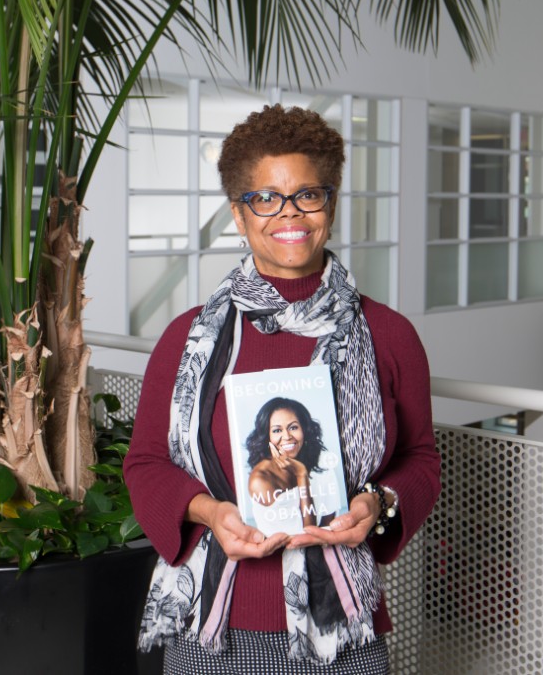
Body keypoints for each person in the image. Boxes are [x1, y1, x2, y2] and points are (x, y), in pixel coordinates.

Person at [124, 104, 441, 673]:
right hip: (213, 624)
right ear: (239, 214)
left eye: (307, 195)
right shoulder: (188, 338)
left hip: (341, 620)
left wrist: (379, 503)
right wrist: (208, 512)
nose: (288, 214)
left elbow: (419, 460)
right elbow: (146, 463)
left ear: (331, 202)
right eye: (265, 198)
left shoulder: (388, 335)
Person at [244, 397, 329, 535]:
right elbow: (308, 533)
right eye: (277, 430)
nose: (287, 436)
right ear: (267, 436)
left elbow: (328, 520)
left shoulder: (306, 458)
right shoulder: (260, 480)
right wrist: (301, 475)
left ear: (304, 430)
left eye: (293, 427)